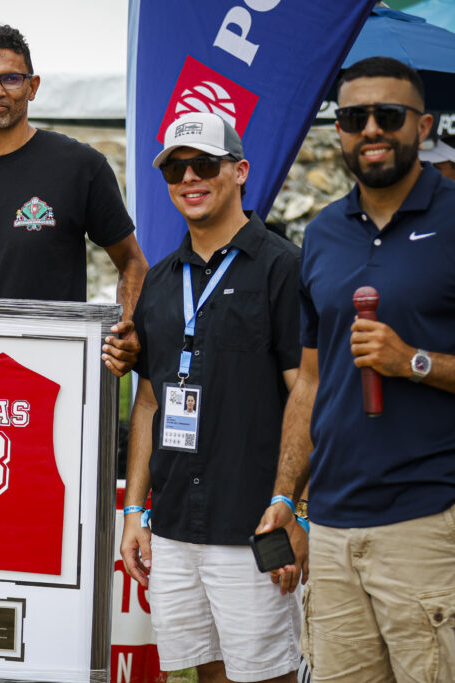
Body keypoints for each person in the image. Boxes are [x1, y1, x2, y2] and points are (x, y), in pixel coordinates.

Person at [258, 56, 455, 682]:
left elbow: (409, 363)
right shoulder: (321, 235)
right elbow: (311, 382)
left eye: (388, 115)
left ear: (422, 126)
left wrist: (412, 362)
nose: (371, 128)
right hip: (336, 530)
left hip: (428, 524)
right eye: (353, 117)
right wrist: (287, 497)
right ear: (338, 131)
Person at [121, 112, 302, 683]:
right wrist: (134, 511)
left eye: (204, 164)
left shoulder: (283, 268)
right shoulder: (160, 277)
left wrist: (293, 504)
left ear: (240, 171)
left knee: (267, 672)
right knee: (204, 674)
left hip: (253, 521)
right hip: (173, 525)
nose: (189, 178)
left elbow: (308, 395)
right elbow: (149, 401)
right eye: (177, 168)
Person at [0, 23, 147, 375]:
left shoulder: (80, 166)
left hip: (54, 375)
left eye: (10, 78)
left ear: (32, 86)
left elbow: (132, 262)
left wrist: (128, 327)